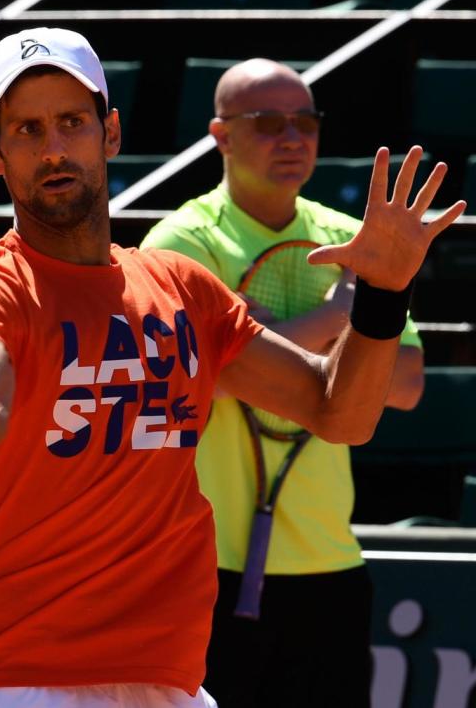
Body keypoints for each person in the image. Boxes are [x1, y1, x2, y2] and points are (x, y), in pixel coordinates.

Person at [0, 29, 465, 708]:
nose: (54, 148)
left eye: (72, 122)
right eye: (27, 129)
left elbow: (340, 412)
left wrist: (382, 297)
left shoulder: (184, 288)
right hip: (20, 680)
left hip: (169, 679)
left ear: (109, 133)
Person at [140, 58, 426, 707]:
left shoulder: (350, 238)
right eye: (268, 122)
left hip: (330, 564)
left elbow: (406, 381)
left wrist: (271, 336)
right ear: (221, 135)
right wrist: (336, 317)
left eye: (306, 121)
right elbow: (206, 372)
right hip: (202, 567)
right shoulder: (181, 243)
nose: (293, 138)